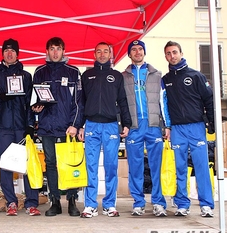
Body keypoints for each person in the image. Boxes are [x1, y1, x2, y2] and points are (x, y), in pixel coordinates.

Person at [78, 42, 131, 218]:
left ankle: (109, 204)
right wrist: (79, 126)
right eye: (98, 51)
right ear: (94, 54)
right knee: (91, 166)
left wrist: (126, 123)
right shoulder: (87, 75)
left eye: (105, 51)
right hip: (91, 125)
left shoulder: (117, 76)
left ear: (110, 54)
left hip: (111, 126)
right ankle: (90, 205)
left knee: (111, 166)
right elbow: (81, 102)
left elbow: (123, 101)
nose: (102, 54)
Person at [32, 37, 83, 217]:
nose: (55, 52)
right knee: (51, 164)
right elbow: (34, 100)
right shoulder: (39, 72)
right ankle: (54, 202)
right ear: (46, 51)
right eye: (52, 49)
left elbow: (78, 102)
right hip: (46, 128)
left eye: (58, 49)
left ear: (63, 51)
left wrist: (75, 125)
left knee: (68, 164)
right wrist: (35, 108)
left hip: (66, 129)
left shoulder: (73, 72)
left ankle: (71, 200)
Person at [162, 41, 214, 217]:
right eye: (168, 54)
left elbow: (209, 99)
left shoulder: (196, 75)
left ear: (181, 53)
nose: (172, 56)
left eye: (174, 52)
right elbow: (164, 105)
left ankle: (206, 205)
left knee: (201, 167)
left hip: (196, 127)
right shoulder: (165, 80)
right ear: (166, 56)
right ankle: (182, 204)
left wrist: (212, 123)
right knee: (180, 168)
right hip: (177, 130)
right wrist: (167, 126)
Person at [0, 38, 40, 216]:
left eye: (12, 51)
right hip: (3, 126)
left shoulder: (26, 76)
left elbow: (30, 102)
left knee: (27, 165)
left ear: (17, 54)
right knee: (5, 165)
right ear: (2, 53)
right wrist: (0, 96)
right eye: (6, 51)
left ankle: (31, 202)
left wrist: (30, 125)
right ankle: (11, 201)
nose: (9, 54)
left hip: (21, 125)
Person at [122, 40, 171, 217]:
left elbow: (164, 101)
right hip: (134, 126)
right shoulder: (123, 76)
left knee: (156, 166)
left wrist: (166, 125)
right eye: (133, 49)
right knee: (135, 166)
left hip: (153, 125)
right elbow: (120, 104)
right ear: (129, 54)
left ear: (144, 52)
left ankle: (158, 203)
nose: (137, 52)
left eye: (140, 49)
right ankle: (138, 202)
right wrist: (123, 124)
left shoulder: (157, 75)